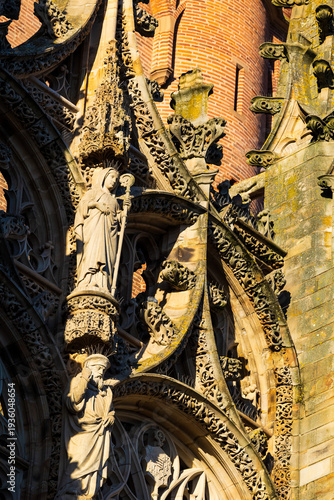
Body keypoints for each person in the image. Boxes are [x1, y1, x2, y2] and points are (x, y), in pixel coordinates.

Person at [56, 354, 115, 499]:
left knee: (94, 468)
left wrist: (110, 417)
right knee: (77, 463)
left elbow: (110, 410)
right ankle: (70, 490)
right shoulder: (78, 380)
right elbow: (73, 401)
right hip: (82, 432)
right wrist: (84, 378)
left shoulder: (106, 392)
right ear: (89, 368)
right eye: (98, 368)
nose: (101, 372)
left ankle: (88, 492)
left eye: (103, 369)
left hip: (99, 432)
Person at [74, 167, 121, 292]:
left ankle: (102, 283)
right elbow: (82, 207)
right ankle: (87, 279)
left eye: (116, 179)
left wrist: (123, 213)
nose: (114, 181)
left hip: (108, 236)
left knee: (106, 259)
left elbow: (119, 221)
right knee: (91, 254)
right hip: (93, 231)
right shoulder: (93, 193)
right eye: (111, 177)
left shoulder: (114, 202)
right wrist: (96, 204)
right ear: (104, 177)